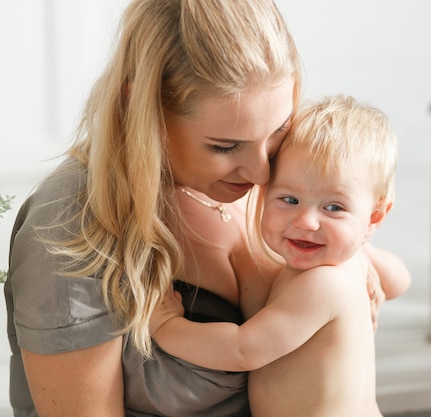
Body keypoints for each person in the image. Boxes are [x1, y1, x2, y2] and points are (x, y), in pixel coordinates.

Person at [4, 1, 408, 416]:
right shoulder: (69, 225)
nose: (261, 171)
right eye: (224, 146)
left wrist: (355, 250)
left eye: (278, 130)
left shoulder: (284, 181)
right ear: (144, 108)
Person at [150, 95, 411, 417]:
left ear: (374, 217)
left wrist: (166, 326)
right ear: (262, 195)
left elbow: (242, 349)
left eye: (334, 208)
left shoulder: (322, 284)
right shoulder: (351, 260)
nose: (306, 222)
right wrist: (362, 246)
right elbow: (400, 280)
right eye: (289, 199)